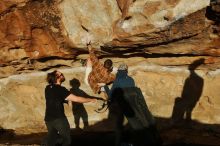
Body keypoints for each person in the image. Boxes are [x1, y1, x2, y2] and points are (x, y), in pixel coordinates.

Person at [44, 70, 96, 146]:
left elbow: (57, 98)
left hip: (48, 119)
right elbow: (77, 99)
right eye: (61, 74)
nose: (63, 75)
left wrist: (67, 100)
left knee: (52, 140)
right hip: (59, 119)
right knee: (66, 140)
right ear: (57, 78)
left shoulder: (48, 88)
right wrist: (91, 100)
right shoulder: (61, 89)